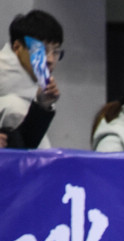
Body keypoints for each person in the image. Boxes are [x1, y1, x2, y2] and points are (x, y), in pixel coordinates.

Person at [0, 10, 62, 148]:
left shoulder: (33, 96)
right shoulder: (13, 104)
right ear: (17, 47)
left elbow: (23, 146)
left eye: (56, 52)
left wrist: (42, 106)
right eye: (42, 50)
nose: (50, 60)